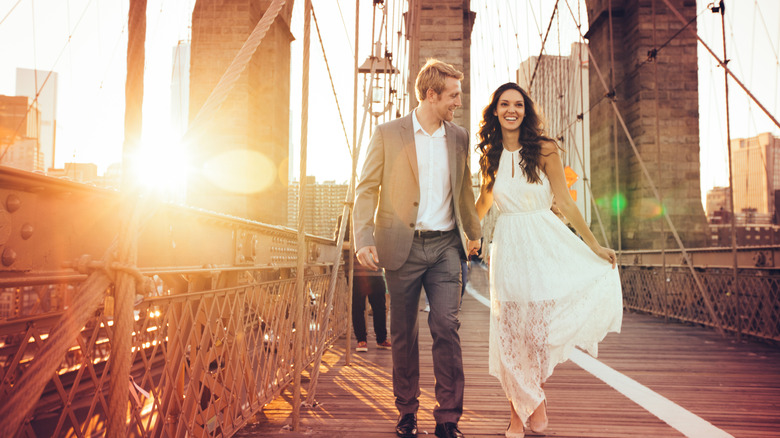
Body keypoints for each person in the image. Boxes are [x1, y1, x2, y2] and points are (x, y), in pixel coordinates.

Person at [474, 82, 622, 438]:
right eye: (505, 104)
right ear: (495, 110)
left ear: (526, 111)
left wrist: (593, 246)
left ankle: (534, 397)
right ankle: (517, 416)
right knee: (509, 336)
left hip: (543, 244)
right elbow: (483, 204)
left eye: (519, 105)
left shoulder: (544, 149)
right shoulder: (491, 154)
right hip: (508, 248)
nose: (512, 110)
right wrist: (464, 231)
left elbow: (567, 203)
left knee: (535, 336)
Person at [353, 59, 482, 438]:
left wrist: (473, 232)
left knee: (446, 326)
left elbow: (465, 188)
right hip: (401, 247)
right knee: (404, 333)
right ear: (431, 94)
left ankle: (447, 419)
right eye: (453, 95)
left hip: (445, 247)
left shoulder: (458, 137)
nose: (458, 102)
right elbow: (366, 189)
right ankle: (407, 411)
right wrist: (363, 237)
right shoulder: (387, 133)